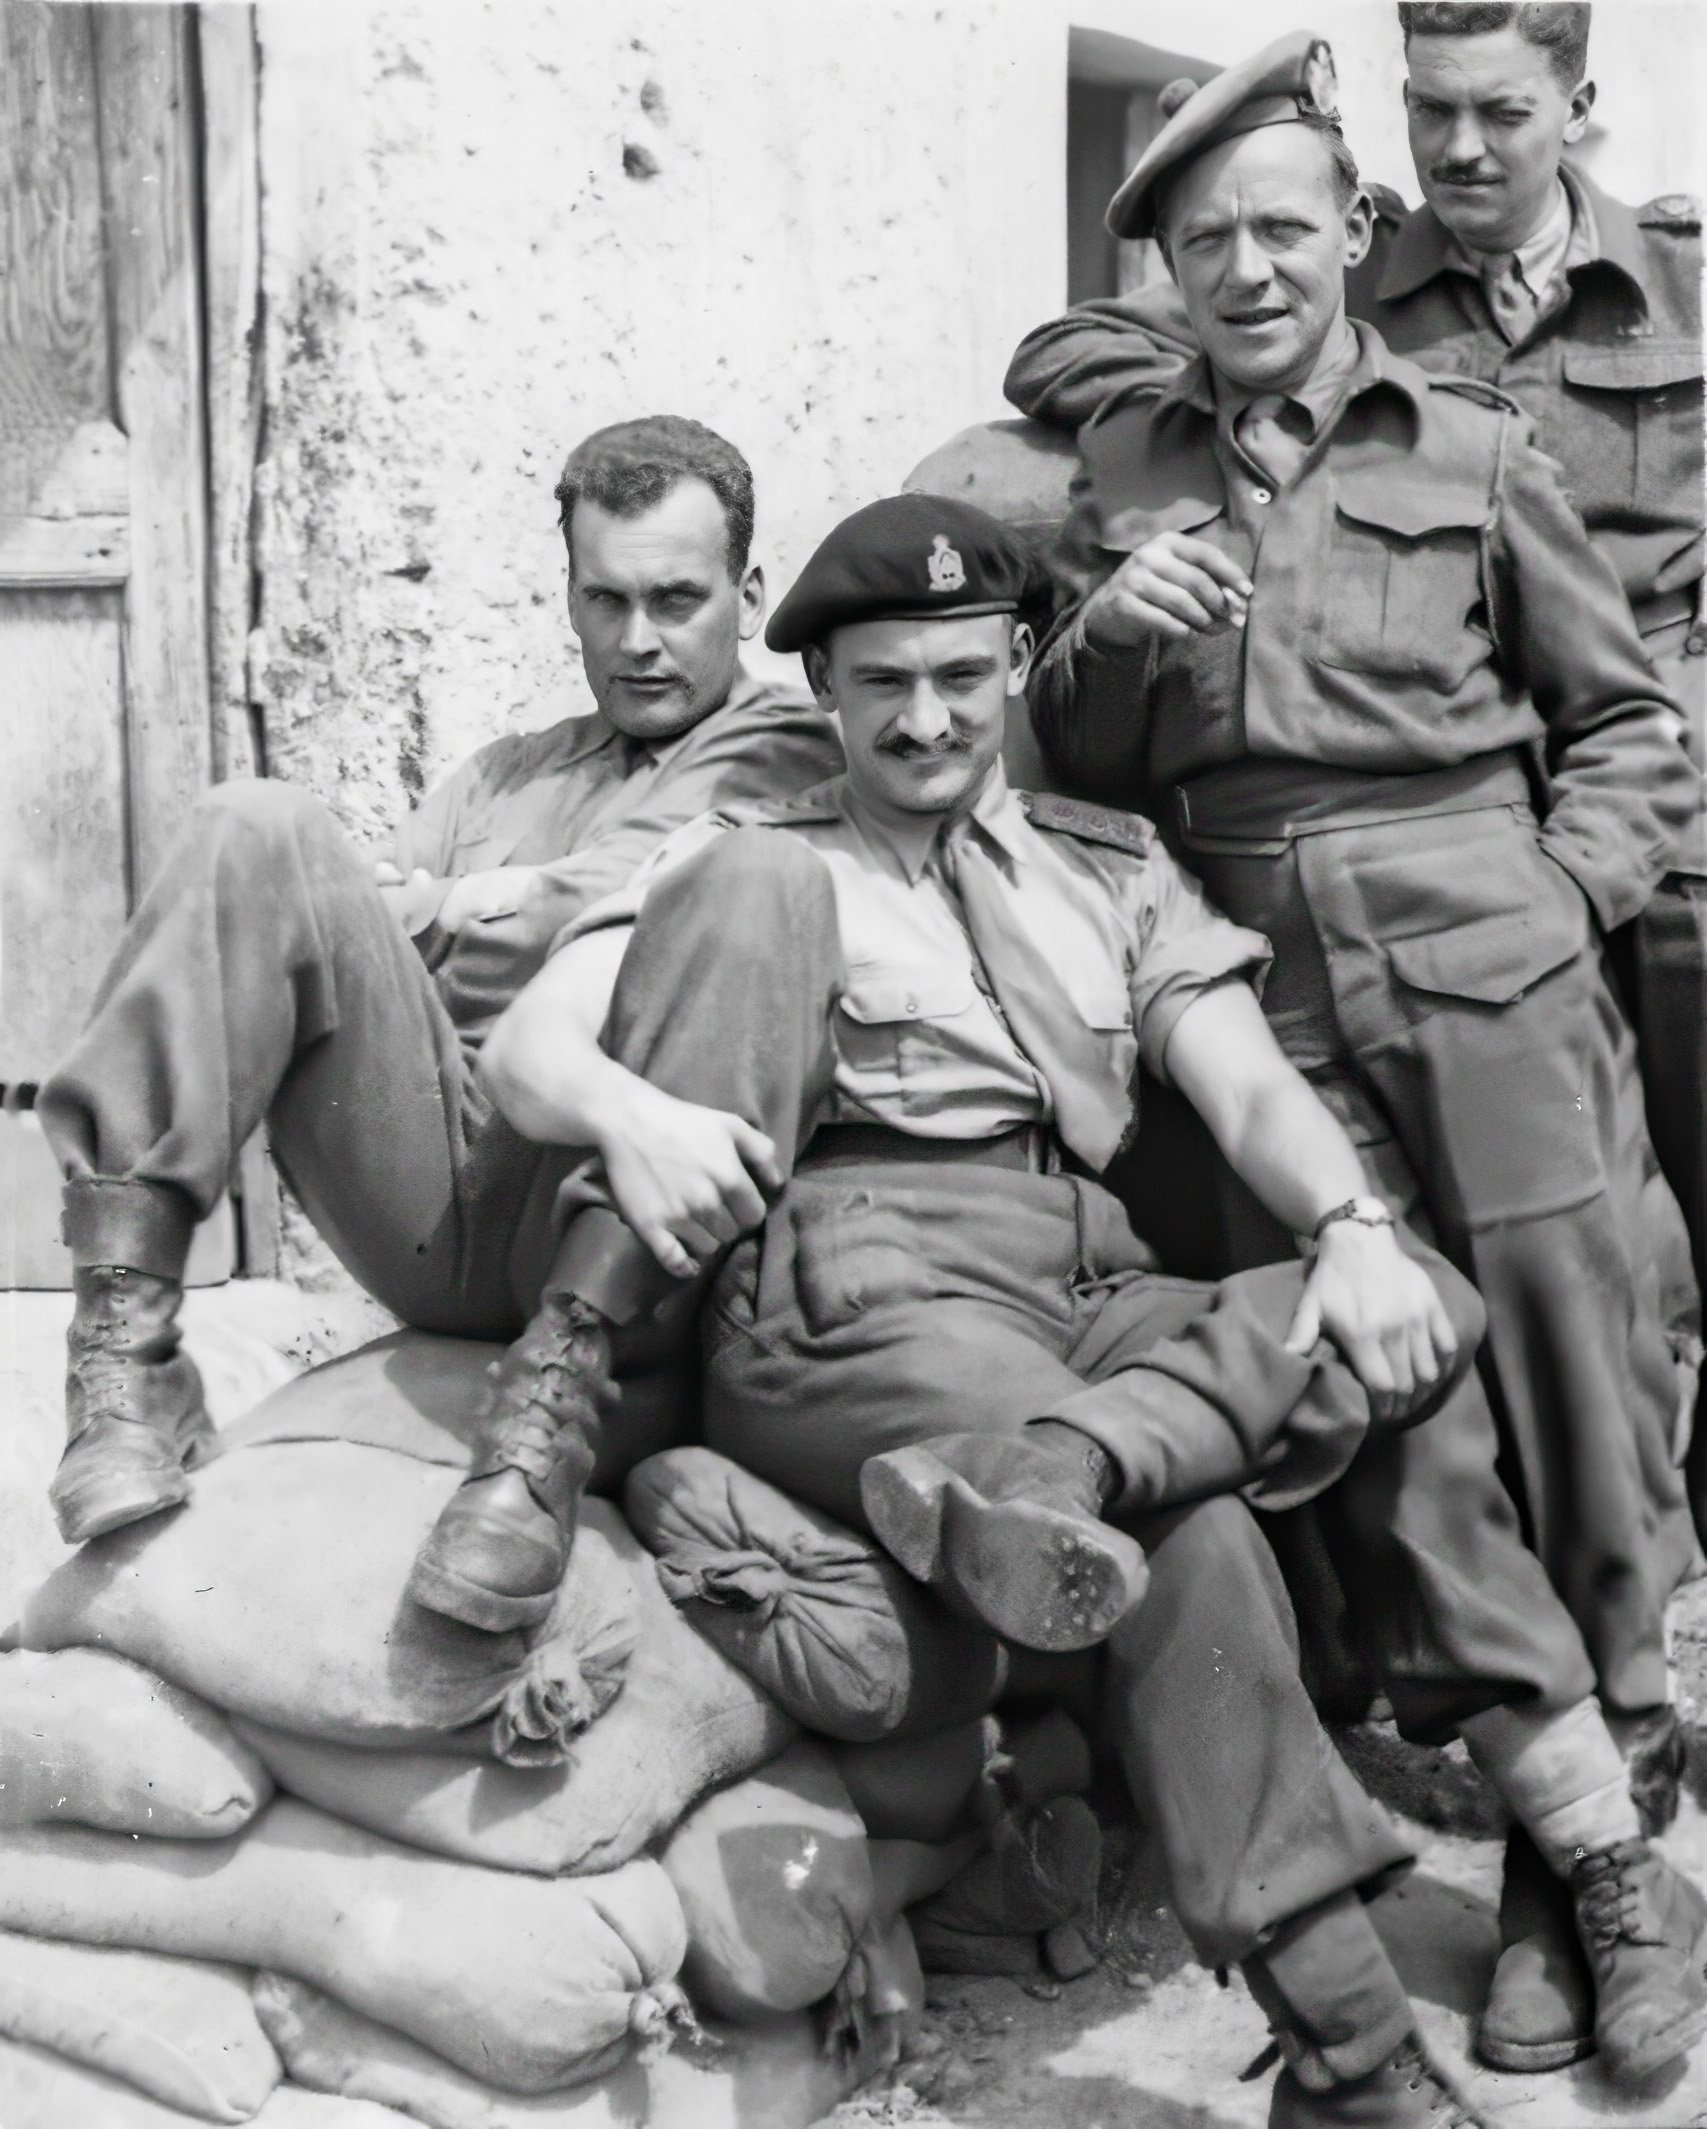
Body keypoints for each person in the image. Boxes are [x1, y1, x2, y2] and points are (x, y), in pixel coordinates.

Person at [414, 492, 1702, 2125]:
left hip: (1084, 1284)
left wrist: (1351, 1225)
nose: (925, 717)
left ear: (1020, 660)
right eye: (880, 682)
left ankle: (1074, 1466)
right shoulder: (751, 858)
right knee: (1199, 1540)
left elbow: (1241, 1094)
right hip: (857, 1276)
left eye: (959, 673)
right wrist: (639, 1122)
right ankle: (1360, 2058)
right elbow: (533, 1052)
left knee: (1408, 1293)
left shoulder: (1108, 864)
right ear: (824, 690)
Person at [1019, 32, 1701, 2078]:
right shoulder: (1122, 478)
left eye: (1283, 229)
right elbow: (1068, 768)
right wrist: (1104, 634)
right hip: (1254, 987)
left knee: (1583, 1382)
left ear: (1349, 239)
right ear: (1162, 265)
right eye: (1204, 238)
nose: (1246, 271)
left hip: (1483, 949)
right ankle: (1578, 1857)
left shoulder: (1472, 445)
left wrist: (1561, 898)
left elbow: (1621, 725)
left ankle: (1576, 1849)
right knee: (1392, 1393)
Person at [1006, 0, 1707, 1430]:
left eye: (1498, 115)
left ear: (1574, 108)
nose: (1457, 147)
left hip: (1637, 719)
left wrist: (1576, 871)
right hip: (1432, 748)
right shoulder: (1332, 263)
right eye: (1427, 110)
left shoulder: (1683, 285)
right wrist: (1212, 406)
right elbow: (1059, 348)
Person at [37, 415, 843, 1549]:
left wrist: (450, 908)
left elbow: (599, 907)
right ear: (567, 596)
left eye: (676, 599)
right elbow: (347, 923)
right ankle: (126, 1359)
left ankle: (551, 1418)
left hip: (602, 1220)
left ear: (748, 596)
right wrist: (434, 910)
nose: (639, 639)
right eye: (604, 600)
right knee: (254, 826)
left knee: (740, 887)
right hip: (435, 1181)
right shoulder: (508, 771)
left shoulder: (791, 751)